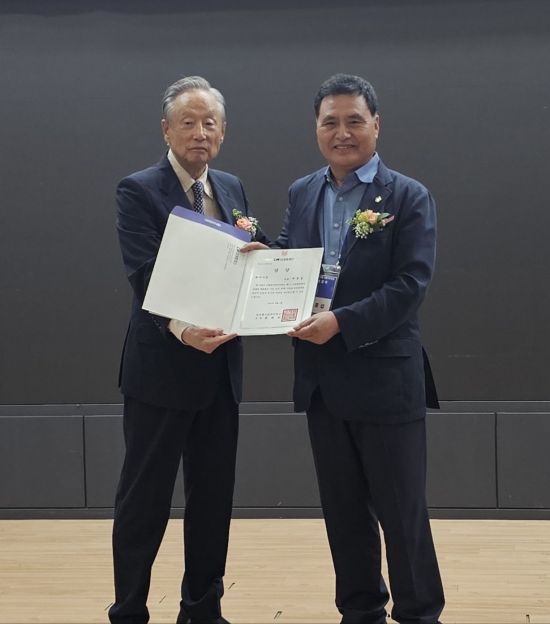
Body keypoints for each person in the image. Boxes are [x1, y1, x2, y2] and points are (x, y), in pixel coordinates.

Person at [278, 74, 444, 624]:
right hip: (323, 383)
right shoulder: (303, 192)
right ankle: (359, 612)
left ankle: (420, 613)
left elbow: (410, 286)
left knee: (402, 516)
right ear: (316, 129)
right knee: (343, 516)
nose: (342, 132)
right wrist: (260, 263)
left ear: (376, 125)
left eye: (354, 120)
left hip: (385, 381)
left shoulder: (408, 196)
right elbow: (291, 260)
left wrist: (341, 323)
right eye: (330, 122)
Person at [110, 76, 265, 624]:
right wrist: (182, 329)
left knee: (213, 499)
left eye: (209, 123)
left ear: (223, 132)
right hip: (161, 370)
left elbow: (244, 262)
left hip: (221, 371)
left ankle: (203, 610)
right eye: (188, 122)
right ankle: (129, 609)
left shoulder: (232, 187)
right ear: (166, 130)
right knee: (144, 500)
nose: (200, 132)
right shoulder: (138, 190)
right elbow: (144, 274)